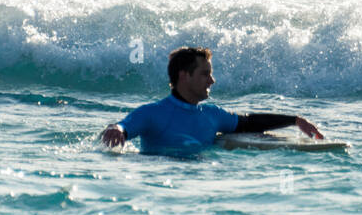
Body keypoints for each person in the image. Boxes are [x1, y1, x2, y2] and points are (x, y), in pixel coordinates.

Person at [100, 46, 324, 155]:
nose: (212, 80)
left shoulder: (212, 115)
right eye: (205, 74)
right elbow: (124, 126)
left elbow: (248, 122)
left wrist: (295, 120)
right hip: (160, 180)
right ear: (184, 76)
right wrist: (116, 129)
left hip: (202, 185)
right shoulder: (152, 113)